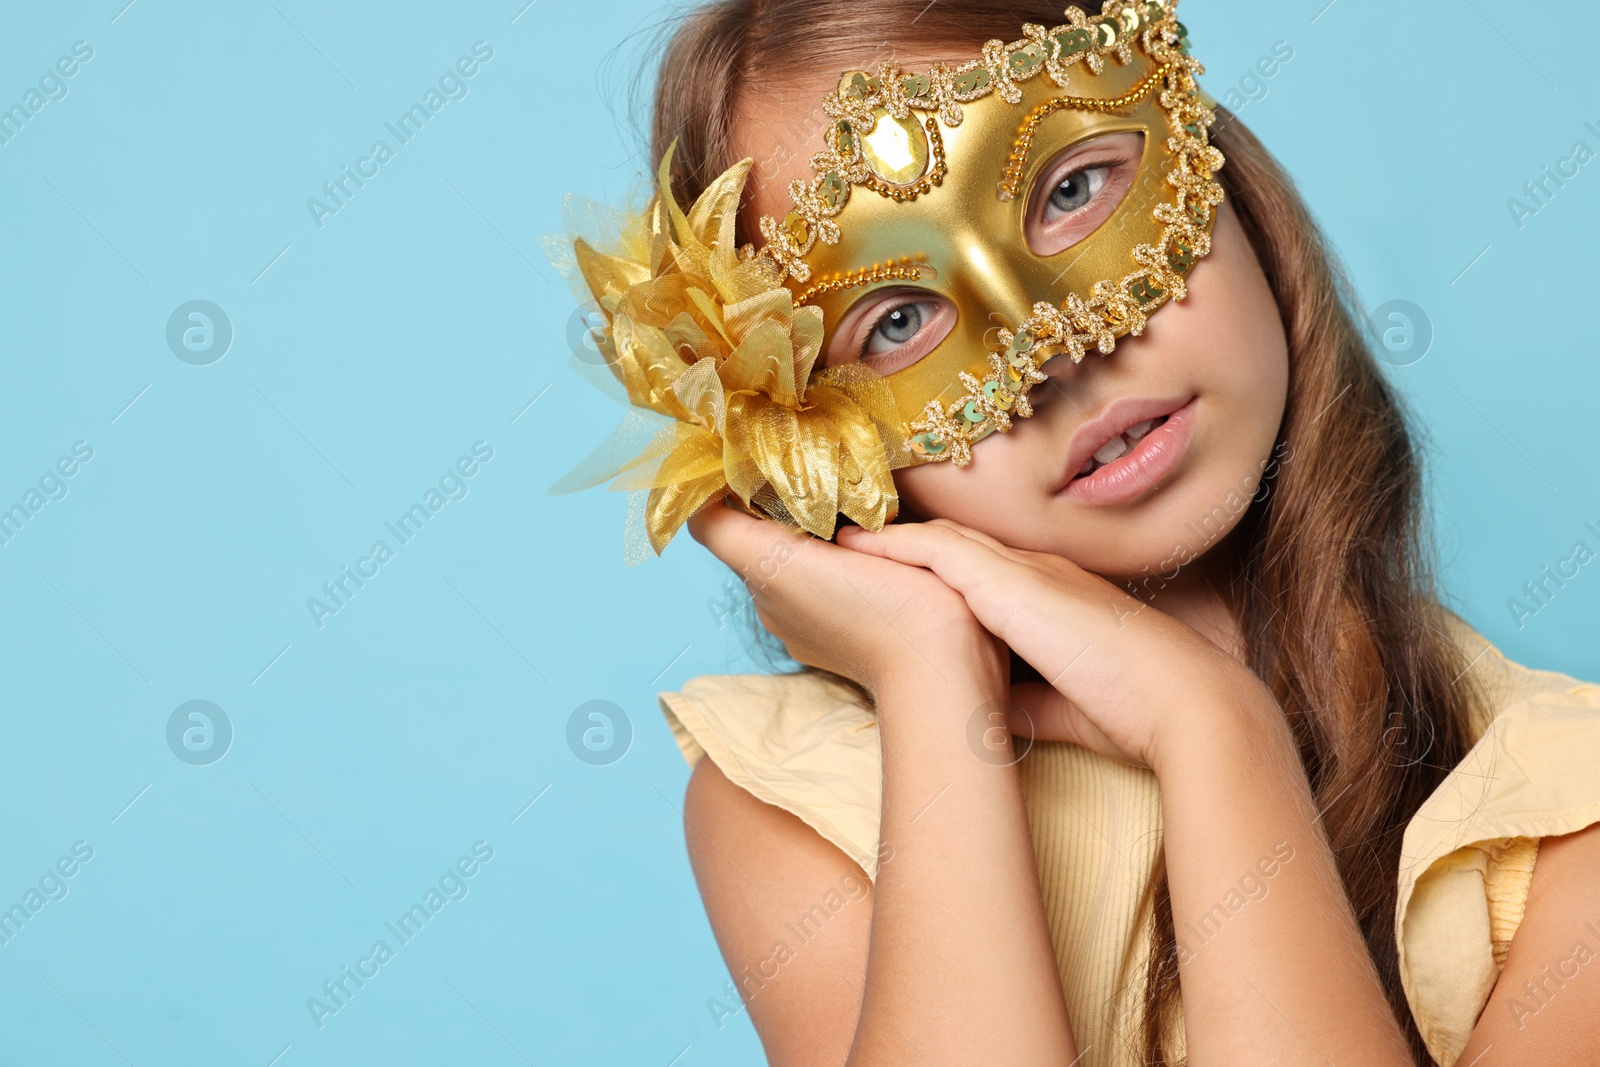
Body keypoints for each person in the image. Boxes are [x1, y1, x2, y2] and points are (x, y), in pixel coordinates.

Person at [551, 1, 1600, 1063]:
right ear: (805, 435)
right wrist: (931, 678)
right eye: (897, 319)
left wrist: (1212, 730)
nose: (1055, 351)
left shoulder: (1564, 813)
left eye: (1070, 188)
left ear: (1213, 164)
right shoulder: (803, 795)